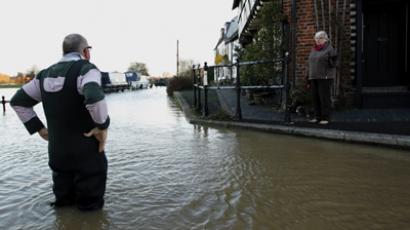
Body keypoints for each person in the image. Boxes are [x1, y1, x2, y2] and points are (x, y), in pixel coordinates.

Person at [10, 33, 110, 211]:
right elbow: (94, 96)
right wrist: (102, 127)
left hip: (58, 155)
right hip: (87, 155)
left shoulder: (43, 75)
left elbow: (18, 101)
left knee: (63, 207)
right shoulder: (87, 69)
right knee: (90, 211)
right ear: (86, 52)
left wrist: (39, 129)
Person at [307, 31, 337, 125]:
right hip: (313, 77)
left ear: (325, 39)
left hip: (325, 77)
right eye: (316, 38)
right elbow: (310, 64)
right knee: (315, 98)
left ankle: (326, 118)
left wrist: (332, 60)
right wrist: (307, 76)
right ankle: (317, 117)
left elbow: (335, 63)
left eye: (320, 38)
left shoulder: (329, 49)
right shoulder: (313, 49)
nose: (318, 40)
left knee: (324, 98)